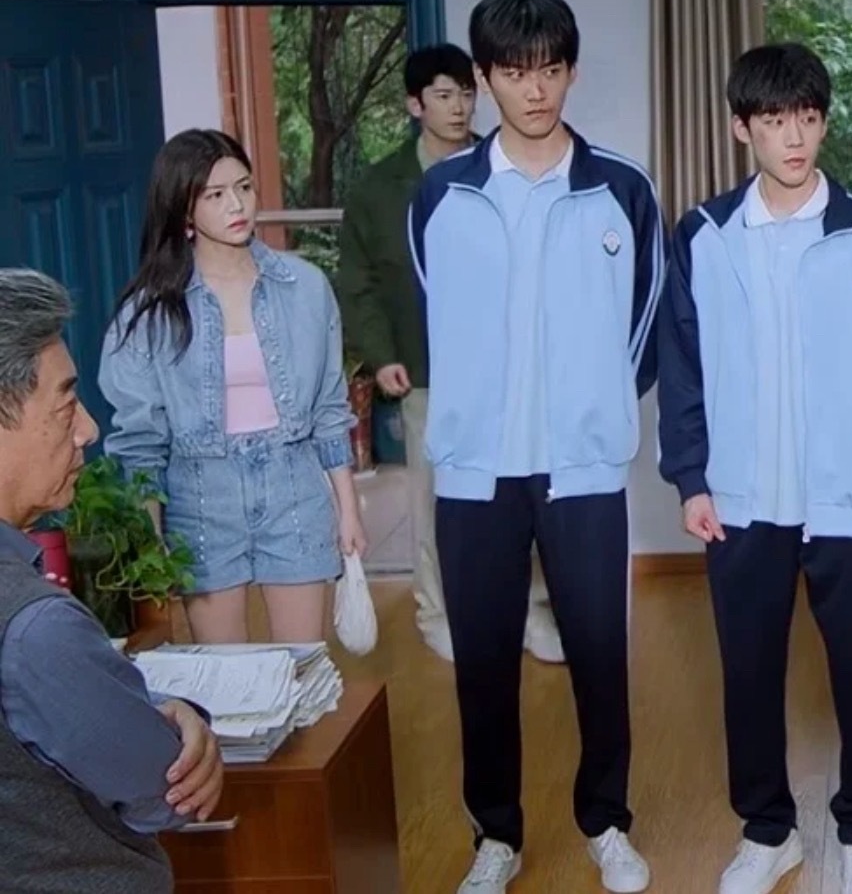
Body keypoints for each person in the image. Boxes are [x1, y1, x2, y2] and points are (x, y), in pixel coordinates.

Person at [657, 42, 852, 894]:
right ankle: (767, 830)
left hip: (848, 501)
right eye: (774, 120)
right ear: (740, 126)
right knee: (747, 673)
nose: (793, 138)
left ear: (822, 123)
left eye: (808, 119)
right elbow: (680, 366)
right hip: (741, 503)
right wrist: (690, 477)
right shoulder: (703, 235)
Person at [409, 0, 663, 894]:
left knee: (599, 652)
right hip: (475, 471)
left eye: (550, 70)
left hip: (582, 466)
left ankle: (606, 822)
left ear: (571, 72)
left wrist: (595, 407)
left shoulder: (621, 188)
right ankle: (496, 836)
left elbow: (646, 320)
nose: (535, 89)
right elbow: (437, 311)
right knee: (483, 663)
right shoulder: (441, 193)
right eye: (514, 73)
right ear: (483, 79)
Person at [338, 43, 564, 664]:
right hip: (427, 369)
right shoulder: (379, 188)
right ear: (415, 105)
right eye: (443, 95)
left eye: (466, 93)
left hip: (512, 369)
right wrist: (381, 353)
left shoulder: (505, 166)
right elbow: (358, 281)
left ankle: (531, 613)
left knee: (527, 495)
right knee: (436, 501)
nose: (458, 107)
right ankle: (438, 612)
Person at [0, 268, 224, 892]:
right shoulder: (35, 630)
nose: (88, 430)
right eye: (66, 404)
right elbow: (162, 791)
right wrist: (176, 720)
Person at [99, 129, 366, 645]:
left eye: (243, 187)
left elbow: (330, 409)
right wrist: (150, 537)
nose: (237, 205)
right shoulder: (150, 312)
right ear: (184, 209)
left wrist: (348, 510)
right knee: (227, 677)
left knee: (303, 665)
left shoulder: (305, 287)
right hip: (201, 494)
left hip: (293, 485)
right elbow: (139, 441)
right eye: (215, 195)